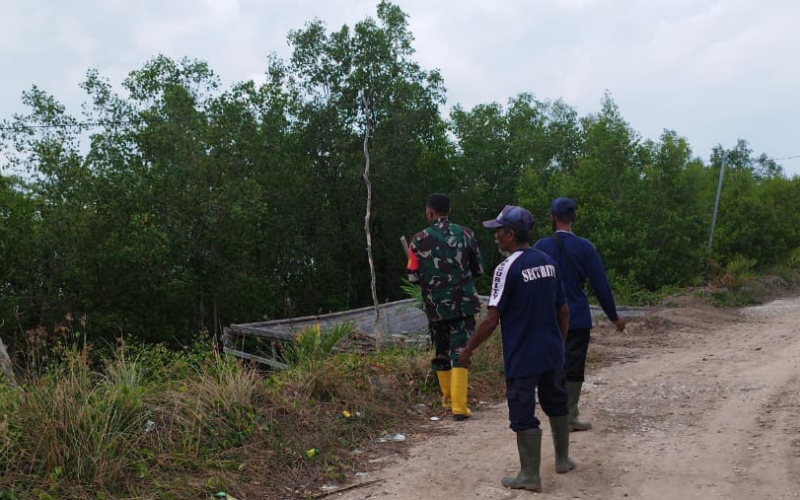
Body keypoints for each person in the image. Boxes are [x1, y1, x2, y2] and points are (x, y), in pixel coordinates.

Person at [457, 205, 574, 492]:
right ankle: (562, 459)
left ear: (510, 234)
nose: (496, 236)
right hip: (551, 351)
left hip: (523, 354)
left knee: (522, 411)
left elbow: (491, 319)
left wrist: (468, 350)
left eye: (499, 231)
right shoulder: (548, 262)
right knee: (556, 402)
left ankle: (530, 475)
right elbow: (563, 310)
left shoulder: (505, 269)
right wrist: (560, 342)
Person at [534, 197, 626, 431]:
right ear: (574, 218)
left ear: (552, 218)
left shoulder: (541, 246)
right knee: (573, 367)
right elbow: (600, 285)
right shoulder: (585, 247)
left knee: (552, 364)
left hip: (548, 318)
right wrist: (613, 316)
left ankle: (555, 413)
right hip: (576, 317)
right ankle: (569, 416)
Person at [406, 193, 485, 421]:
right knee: (461, 349)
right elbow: (478, 269)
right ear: (448, 211)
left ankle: (449, 402)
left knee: (441, 351)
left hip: (435, 306)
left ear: (430, 211)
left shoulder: (418, 240)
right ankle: (460, 407)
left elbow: (412, 276)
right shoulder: (467, 234)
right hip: (464, 303)